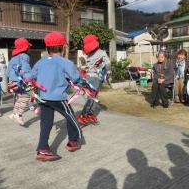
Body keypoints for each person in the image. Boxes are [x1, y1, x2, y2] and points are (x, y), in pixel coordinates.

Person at [32, 31, 83, 161]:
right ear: (63, 47)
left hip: (43, 97)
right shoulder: (65, 62)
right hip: (58, 98)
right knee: (71, 117)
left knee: (46, 123)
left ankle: (42, 149)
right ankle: (74, 141)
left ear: (47, 48)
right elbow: (76, 78)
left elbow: (32, 76)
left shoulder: (40, 62)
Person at [77, 34, 111, 126]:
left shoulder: (89, 54)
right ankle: (83, 115)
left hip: (88, 77)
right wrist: (107, 71)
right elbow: (108, 64)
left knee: (93, 97)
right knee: (92, 97)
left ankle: (90, 114)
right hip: (95, 77)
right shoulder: (101, 52)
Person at [7, 38, 33, 126]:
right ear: (25, 48)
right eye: (29, 47)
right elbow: (26, 68)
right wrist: (29, 79)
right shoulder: (24, 56)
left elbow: (8, 70)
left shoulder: (13, 57)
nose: (30, 48)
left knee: (21, 97)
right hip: (20, 81)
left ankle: (14, 113)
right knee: (26, 96)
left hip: (12, 81)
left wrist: (11, 79)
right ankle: (19, 114)